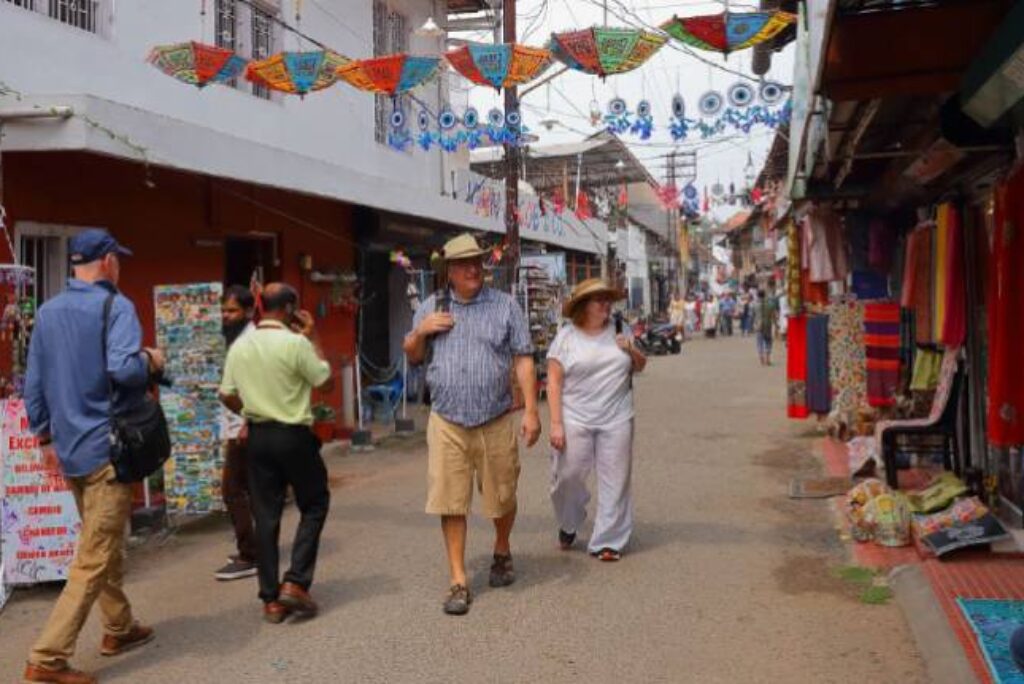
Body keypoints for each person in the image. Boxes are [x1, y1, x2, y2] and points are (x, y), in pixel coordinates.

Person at [23, 229, 161, 684]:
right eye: (117, 259)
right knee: (94, 556)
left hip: (70, 448)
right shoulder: (115, 306)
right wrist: (151, 359)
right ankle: (47, 657)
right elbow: (123, 369)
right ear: (106, 262)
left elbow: (34, 383)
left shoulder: (47, 311)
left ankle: (118, 628)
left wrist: (44, 440)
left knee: (102, 541)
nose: (119, 266)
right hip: (109, 448)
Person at [403, 233, 541, 616]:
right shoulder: (431, 307)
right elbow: (412, 355)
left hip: (495, 418)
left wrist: (531, 410)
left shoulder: (505, 306)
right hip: (447, 420)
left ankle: (501, 548)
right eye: (463, 263)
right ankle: (459, 580)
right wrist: (420, 331)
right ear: (448, 271)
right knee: (451, 500)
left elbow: (524, 358)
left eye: (477, 261)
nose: (473, 268)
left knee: (502, 496)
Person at [219, 283, 333, 624]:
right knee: (314, 503)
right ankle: (296, 582)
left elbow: (226, 394)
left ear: (260, 307)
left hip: (258, 437)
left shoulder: (241, 347)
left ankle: (270, 599)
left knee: (265, 516)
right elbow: (325, 382)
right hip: (293, 436)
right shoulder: (296, 343)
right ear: (290, 309)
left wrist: (251, 411)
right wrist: (313, 337)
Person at [548, 279, 646, 561]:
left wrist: (631, 349)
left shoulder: (620, 329)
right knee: (568, 477)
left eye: (607, 299)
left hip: (616, 417)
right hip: (574, 417)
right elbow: (553, 381)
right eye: (597, 300)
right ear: (583, 306)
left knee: (616, 479)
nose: (605, 305)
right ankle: (569, 522)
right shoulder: (566, 337)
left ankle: (609, 540)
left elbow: (640, 365)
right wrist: (556, 423)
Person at [214, 285, 259, 581]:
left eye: (231, 311)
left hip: (247, 425)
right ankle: (257, 547)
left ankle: (250, 555)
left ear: (248, 311)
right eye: (224, 311)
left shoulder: (250, 342)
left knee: (232, 489)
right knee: (251, 489)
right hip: (242, 424)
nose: (226, 316)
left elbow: (255, 385)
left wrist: (247, 420)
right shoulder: (239, 339)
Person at [753, 288, 779, 366]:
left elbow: (754, 316)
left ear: (757, 295)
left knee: (759, 342)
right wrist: (776, 326)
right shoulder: (770, 304)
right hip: (768, 325)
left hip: (759, 326)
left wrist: (754, 325)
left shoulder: (755, 304)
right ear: (765, 295)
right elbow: (774, 316)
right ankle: (768, 359)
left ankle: (761, 359)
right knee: (768, 342)